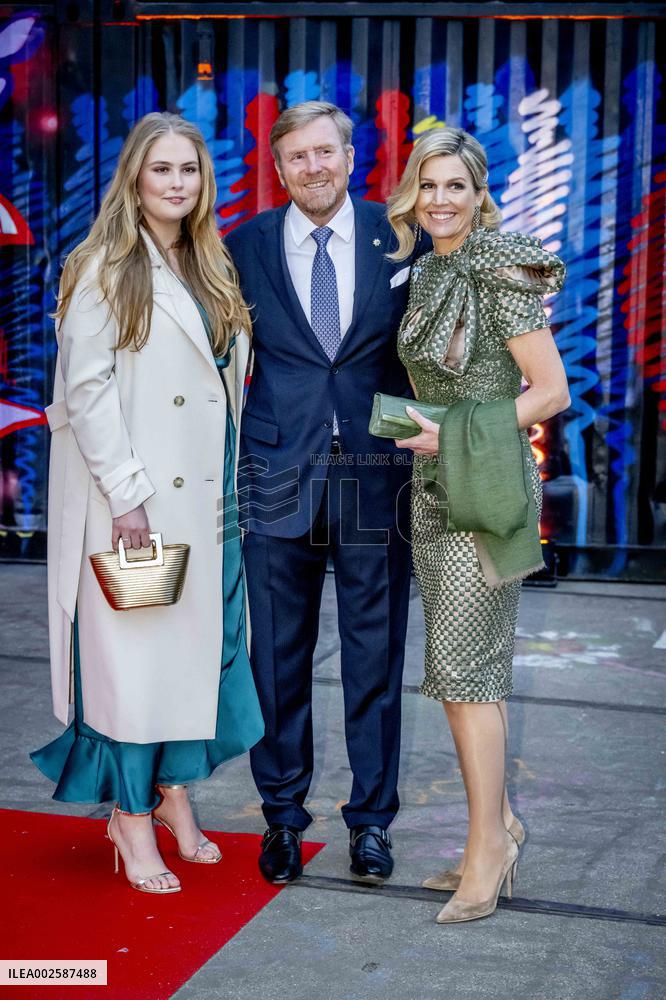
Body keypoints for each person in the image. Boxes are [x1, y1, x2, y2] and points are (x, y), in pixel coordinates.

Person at [31, 112, 264, 895]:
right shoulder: (102, 265)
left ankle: (173, 794)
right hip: (136, 501)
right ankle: (130, 817)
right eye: (162, 168)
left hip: (209, 500)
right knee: (135, 667)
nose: (176, 183)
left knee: (195, 659)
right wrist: (127, 496)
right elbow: (87, 390)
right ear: (134, 175)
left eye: (189, 170)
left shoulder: (209, 263)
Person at [225, 101, 428, 885]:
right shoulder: (242, 246)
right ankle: (282, 817)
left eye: (324, 152)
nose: (313, 167)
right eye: (297, 157)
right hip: (276, 475)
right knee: (277, 659)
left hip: (376, 475)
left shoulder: (399, 237)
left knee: (375, 656)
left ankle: (371, 823)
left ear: (350, 156)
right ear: (279, 169)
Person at [387, 127, 569, 923]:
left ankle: (489, 849)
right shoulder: (427, 269)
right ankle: (496, 831)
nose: (440, 200)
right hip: (434, 488)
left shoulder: (498, 266)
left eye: (455, 186)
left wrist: (453, 433)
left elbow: (551, 391)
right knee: (460, 673)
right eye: (428, 185)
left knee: (469, 674)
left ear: (479, 192)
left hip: (487, 488)